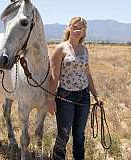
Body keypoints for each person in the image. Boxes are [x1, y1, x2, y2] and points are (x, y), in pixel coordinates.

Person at [46, 16, 100, 160]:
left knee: (79, 134)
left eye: (81, 28)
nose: (78, 30)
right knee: (63, 134)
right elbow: (54, 76)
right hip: (65, 96)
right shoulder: (60, 48)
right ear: (69, 27)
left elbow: (87, 74)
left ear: (84, 32)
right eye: (75, 27)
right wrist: (50, 99)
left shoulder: (84, 49)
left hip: (84, 96)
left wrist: (96, 95)